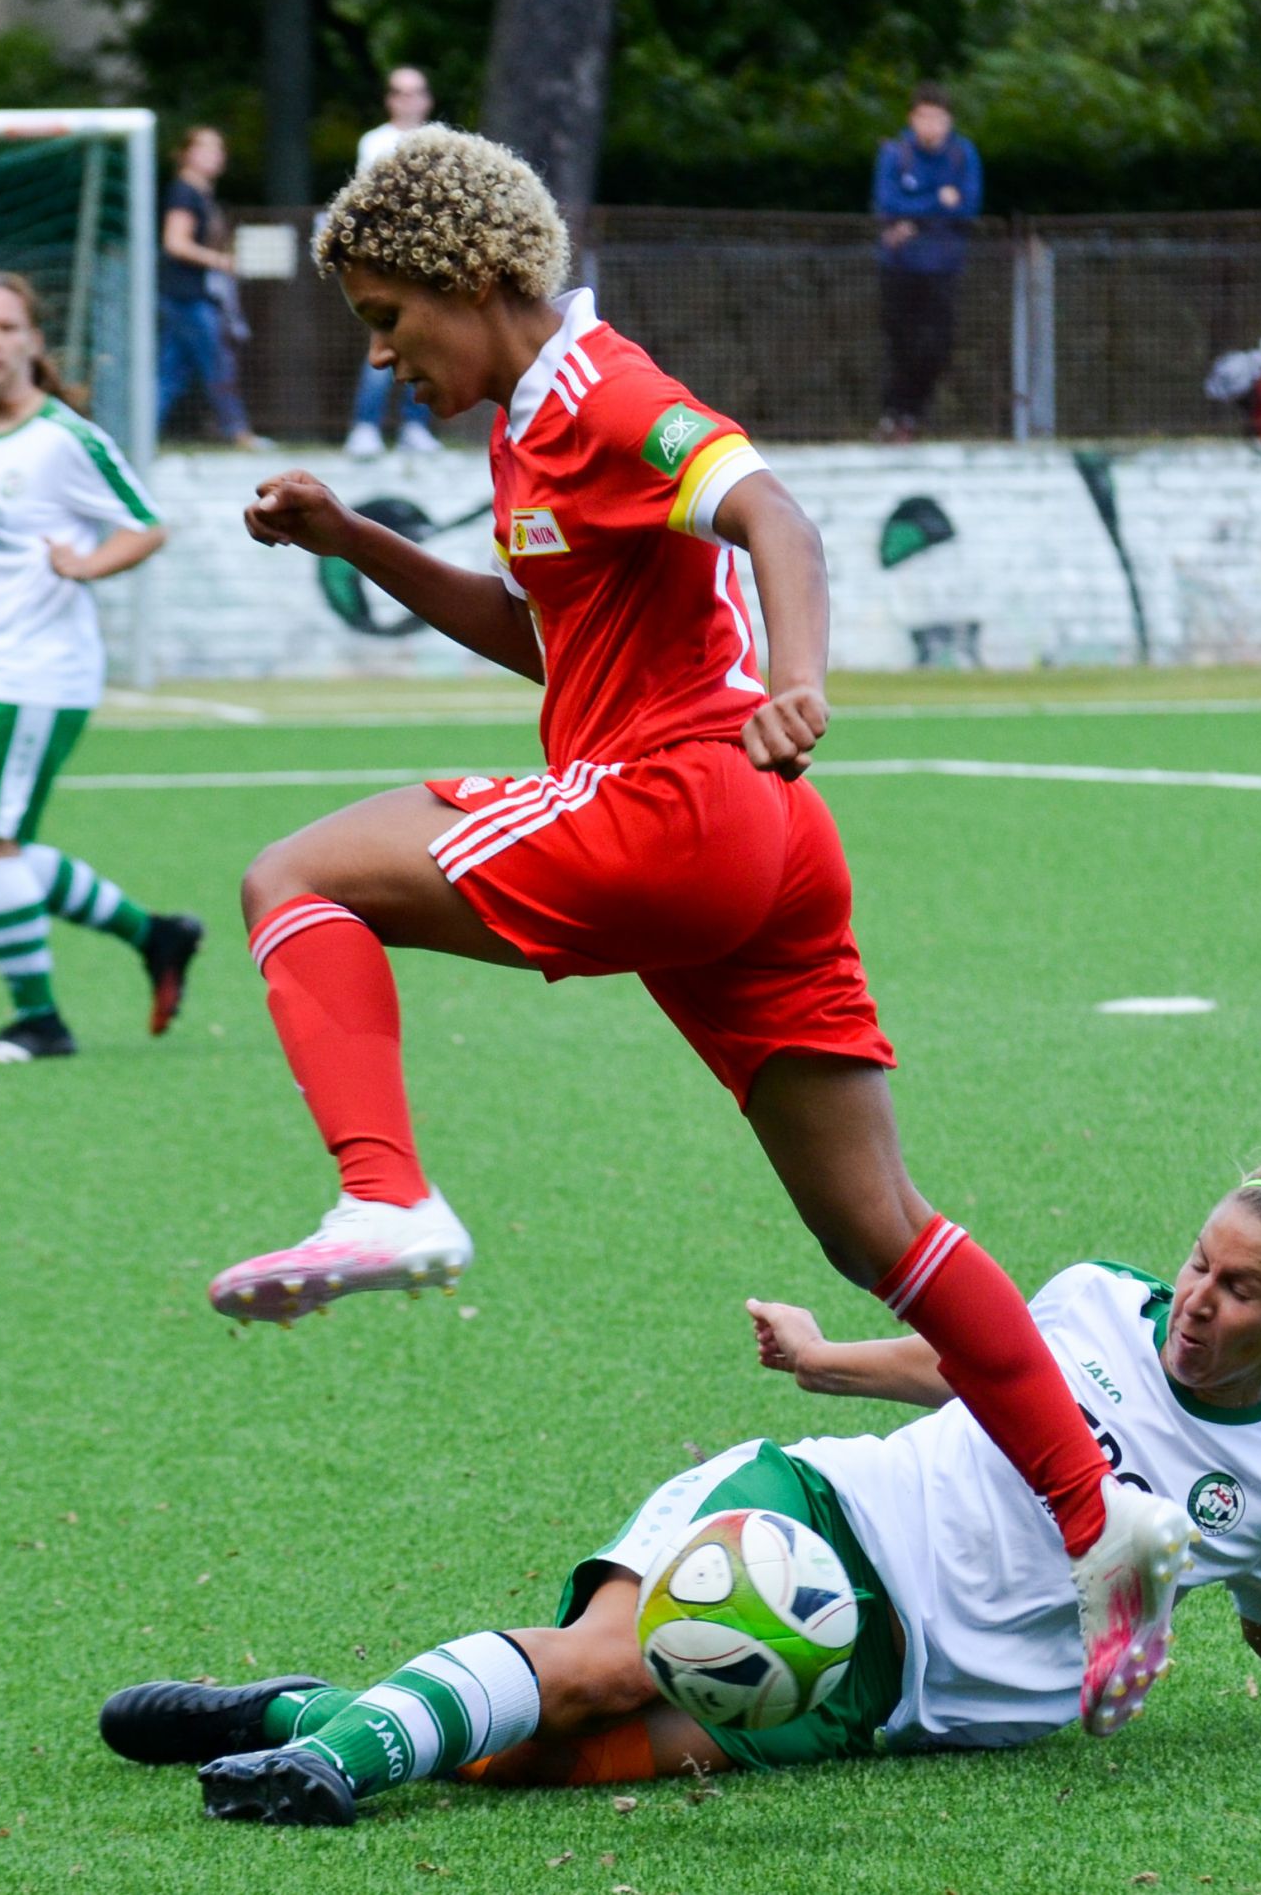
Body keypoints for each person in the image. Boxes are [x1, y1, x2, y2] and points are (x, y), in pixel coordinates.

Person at [209, 126, 1191, 1737]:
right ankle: (1102, 1516)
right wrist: (358, 544)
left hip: (678, 802)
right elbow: (547, 633)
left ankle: (385, 1197)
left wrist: (802, 673)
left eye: (392, 319)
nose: (384, 358)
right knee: (881, 1225)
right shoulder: (532, 426)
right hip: (765, 845)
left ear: (476, 278)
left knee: (293, 879)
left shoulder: (599, 387)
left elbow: (779, 519)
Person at [102, 1161, 1261, 1825]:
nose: (1198, 1300)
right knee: (602, 1666)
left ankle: (292, 1709)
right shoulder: (1098, 1297)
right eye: (1203, 1261)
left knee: (563, 1761)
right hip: (826, 1518)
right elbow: (969, 1362)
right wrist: (825, 1360)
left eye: (1242, 1290)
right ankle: (330, 1768)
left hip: (900, 1687)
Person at [0, 271, 205, 1063]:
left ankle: (40, 1023)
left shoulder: (65, 439)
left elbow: (146, 526)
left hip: (40, 673)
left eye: (4, 327)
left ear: (33, 341)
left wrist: (87, 567)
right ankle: (156, 935)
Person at [870, 83, 982, 442]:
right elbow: (887, 204)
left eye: (938, 118)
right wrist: (937, 201)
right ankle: (896, 415)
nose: (931, 125)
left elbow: (967, 206)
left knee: (936, 345)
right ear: (912, 119)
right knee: (900, 343)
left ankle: (911, 413)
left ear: (948, 121)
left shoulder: (962, 155)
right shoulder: (894, 153)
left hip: (943, 268)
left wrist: (913, 216)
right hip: (899, 266)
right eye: (924, 117)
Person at [344, 67, 445, 460]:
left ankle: (415, 427)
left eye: (416, 92)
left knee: (426, 342)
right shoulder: (374, 143)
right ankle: (365, 427)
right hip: (386, 262)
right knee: (383, 341)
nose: (408, 100)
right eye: (400, 93)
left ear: (426, 99)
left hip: (427, 262)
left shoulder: (439, 141)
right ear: (390, 99)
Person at [155, 126, 262, 448]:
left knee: (170, 373)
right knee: (218, 362)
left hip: (189, 295)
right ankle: (238, 431)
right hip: (187, 295)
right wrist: (221, 261)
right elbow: (175, 243)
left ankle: (138, 433)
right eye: (206, 148)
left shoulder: (200, 194)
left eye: (219, 148)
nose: (216, 155)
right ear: (186, 153)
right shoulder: (184, 193)